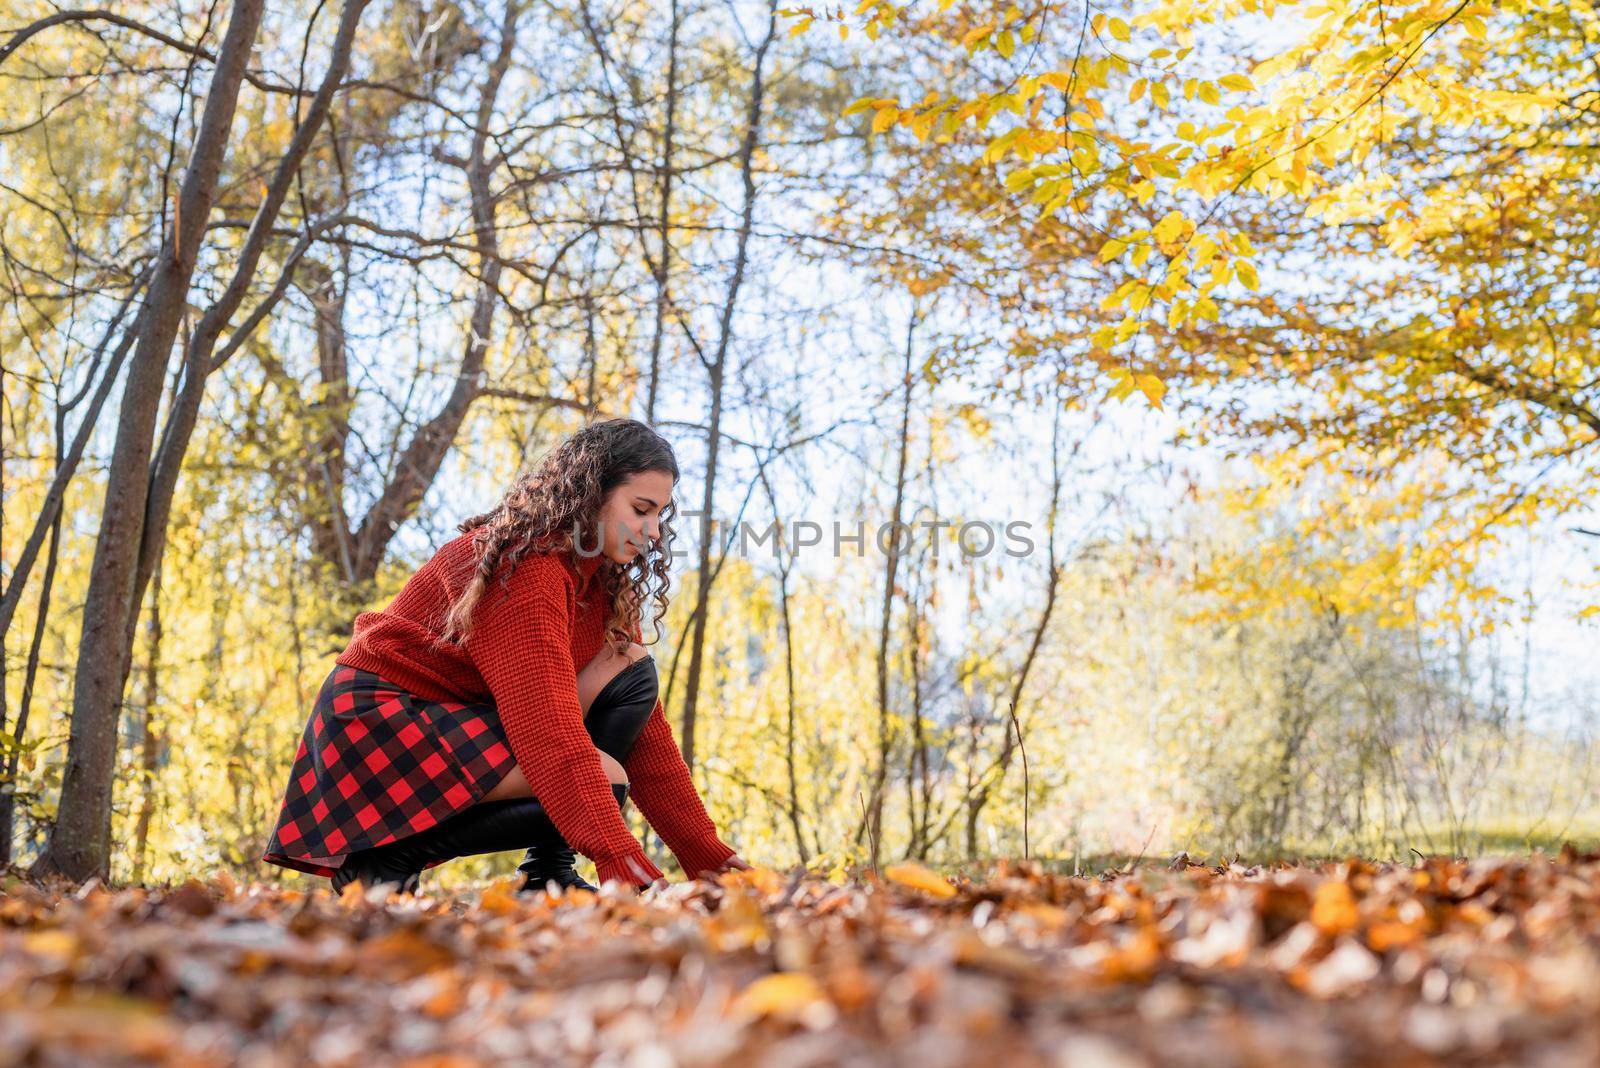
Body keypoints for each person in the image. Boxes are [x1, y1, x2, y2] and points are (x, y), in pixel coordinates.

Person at [261, 418, 750, 895]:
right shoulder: (527, 565)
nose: (655, 531)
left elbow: (648, 740)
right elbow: (547, 725)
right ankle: (386, 860)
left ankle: (547, 871)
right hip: (381, 720)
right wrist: (615, 852)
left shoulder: (598, 583)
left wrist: (709, 858)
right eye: (641, 509)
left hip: (450, 716)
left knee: (631, 672)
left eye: (660, 514)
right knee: (605, 780)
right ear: (592, 493)